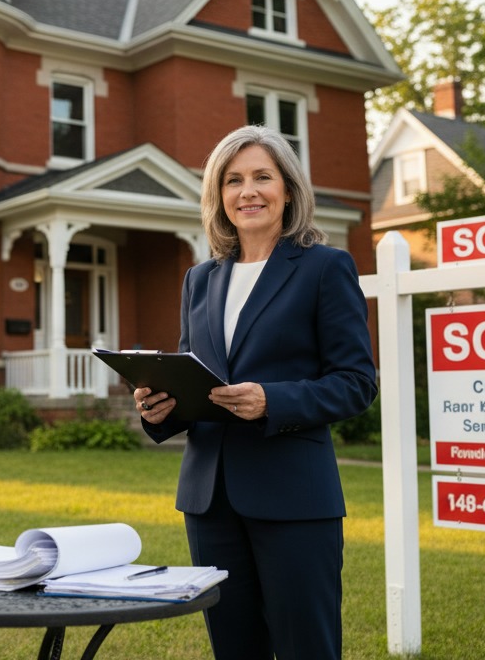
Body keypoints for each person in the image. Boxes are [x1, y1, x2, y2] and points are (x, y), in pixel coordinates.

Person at [135, 125, 376, 660]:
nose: (248, 191)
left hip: (293, 496)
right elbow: (195, 378)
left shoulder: (325, 268)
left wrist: (274, 399)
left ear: (288, 189)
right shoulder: (200, 278)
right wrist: (159, 410)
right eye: (233, 180)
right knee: (233, 648)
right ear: (218, 196)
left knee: (304, 647)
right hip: (209, 500)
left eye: (262, 177)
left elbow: (357, 384)